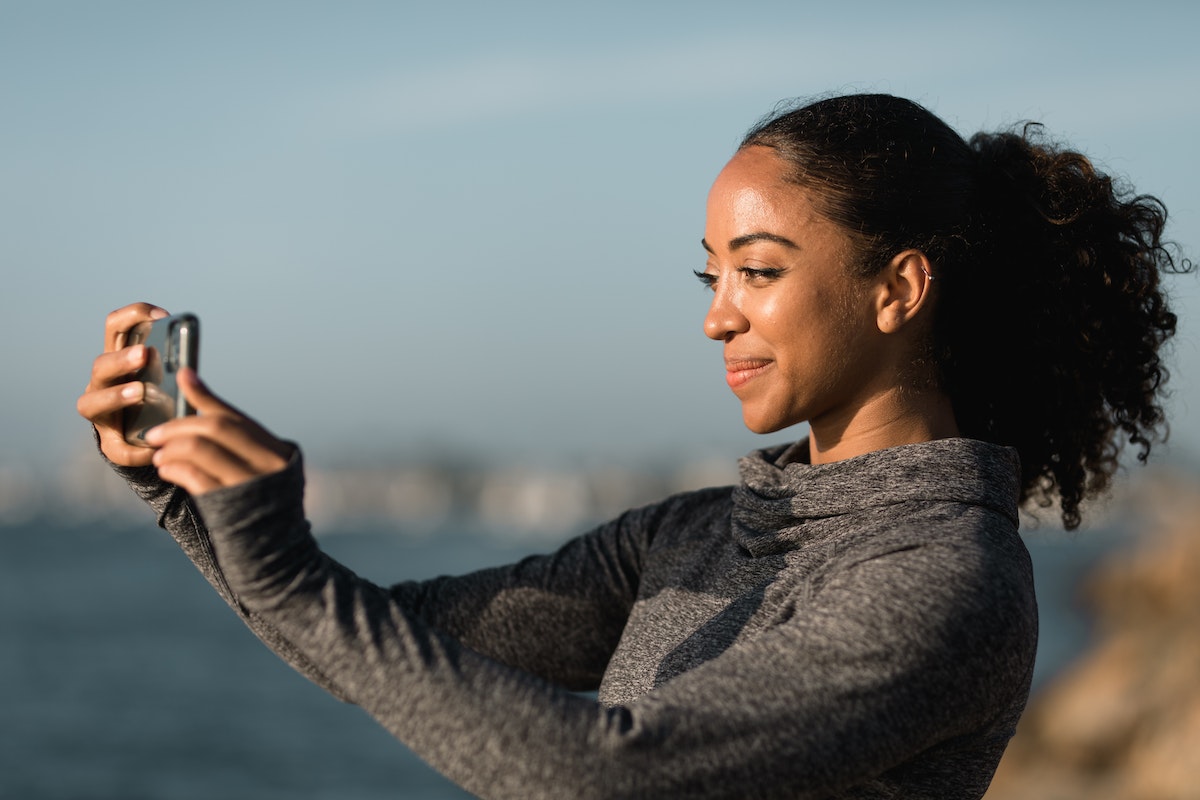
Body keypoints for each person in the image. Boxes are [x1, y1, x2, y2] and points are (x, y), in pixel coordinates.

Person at [77, 93, 1186, 799]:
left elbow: (609, 769)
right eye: (713, 276)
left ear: (898, 287)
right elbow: (380, 646)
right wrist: (187, 496)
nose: (717, 314)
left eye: (758, 270)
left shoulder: (945, 577)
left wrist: (286, 564)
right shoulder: (688, 534)